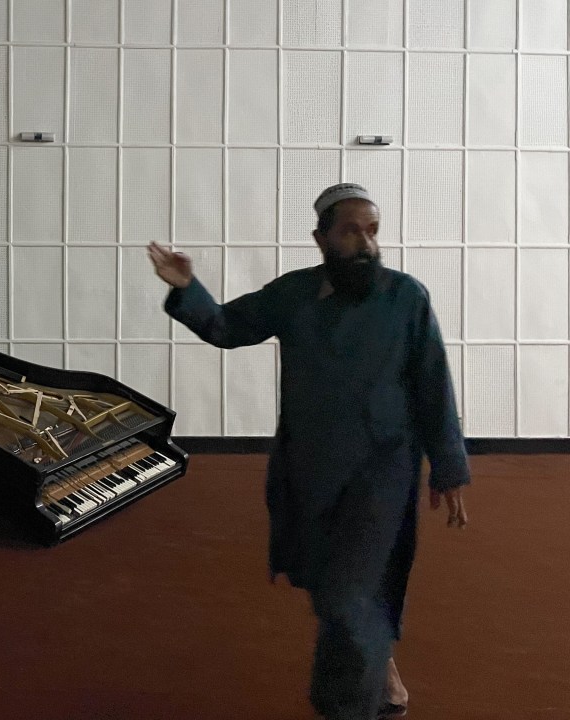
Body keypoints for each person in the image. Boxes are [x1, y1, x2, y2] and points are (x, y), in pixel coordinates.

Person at [147, 183, 470, 720]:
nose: (366, 243)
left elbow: (433, 381)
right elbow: (228, 327)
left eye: (373, 230)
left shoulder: (406, 297)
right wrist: (187, 287)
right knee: (327, 584)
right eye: (351, 230)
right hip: (311, 468)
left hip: (382, 469)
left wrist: (448, 465)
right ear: (321, 238)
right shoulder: (294, 294)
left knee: (348, 592)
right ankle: (378, 660)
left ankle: (350, 705)